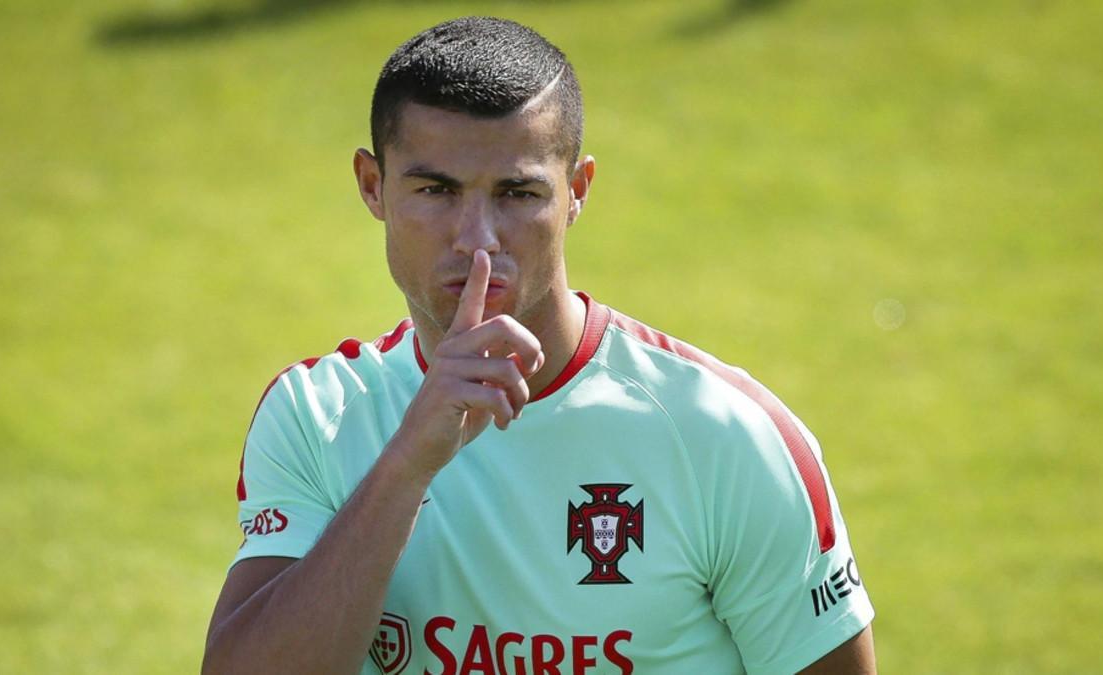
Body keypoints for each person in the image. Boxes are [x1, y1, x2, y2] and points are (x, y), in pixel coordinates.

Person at [203, 16, 875, 675]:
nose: (477, 238)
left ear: (576, 192)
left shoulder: (724, 435)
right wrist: (407, 464)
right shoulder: (316, 415)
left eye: (517, 193)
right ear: (372, 185)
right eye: (436, 190)